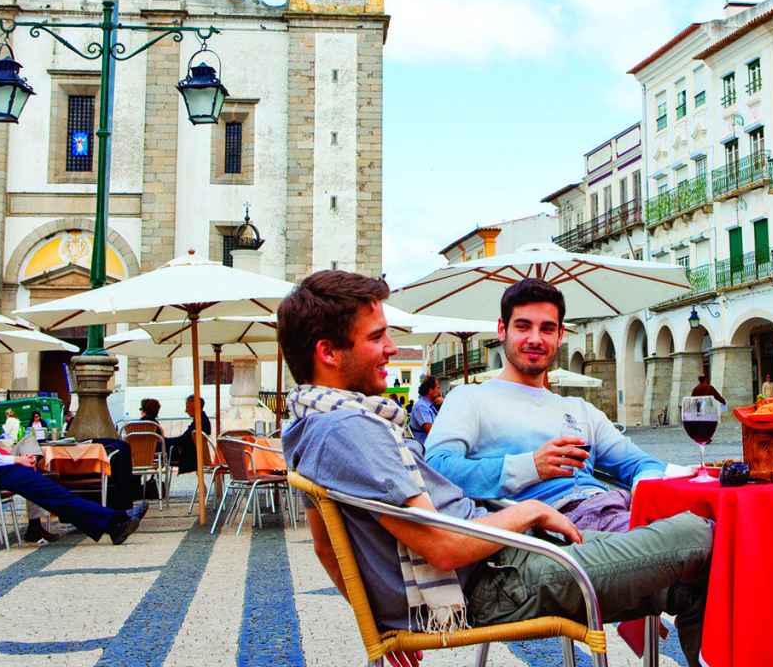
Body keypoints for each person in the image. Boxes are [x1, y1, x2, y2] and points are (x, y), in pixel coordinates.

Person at [279, 270, 711, 664]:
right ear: (328, 352)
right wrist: (530, 511)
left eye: (547, 328)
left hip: (511, 561)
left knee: (697, 581)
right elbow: (443, 546)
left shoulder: (311, 427)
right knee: (703, 534)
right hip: (501, 577)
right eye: (377, 337)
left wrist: (375, 618)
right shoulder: (351, 427)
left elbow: (323, 546)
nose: (392, 347)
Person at [426, 279, 667, 533]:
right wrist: (531, 466)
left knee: (701, 525)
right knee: (701, 535)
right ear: (501, 329)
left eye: (547, 329)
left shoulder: (580, 409)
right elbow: (435, 470)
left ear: (560, 335)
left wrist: (645, 492)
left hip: (616, 510)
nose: (535, 339)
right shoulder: (469, 398)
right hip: (558, 532)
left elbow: (644, 464)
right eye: (523, 327)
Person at [0, 388, 145, 546]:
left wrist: (19, 459)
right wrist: (16, 460)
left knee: (53, 490)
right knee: (52, 492)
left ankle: (112, 522)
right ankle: (115, 521)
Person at [168, 394, 211, 473]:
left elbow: (183, 440)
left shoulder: (199, 422)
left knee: (161, 449)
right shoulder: (202, 420)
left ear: (195, 407)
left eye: (187, 407)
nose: (185, 410)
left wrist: (164, 441)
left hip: (191, 457)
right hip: (193, 454)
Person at [410, 375, 440, 445]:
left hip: (430, 444)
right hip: (424, 446)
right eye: (438, 388)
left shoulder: (430, 405)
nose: (439, 392)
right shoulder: (422, 406)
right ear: (430, 390)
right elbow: (431, 431)